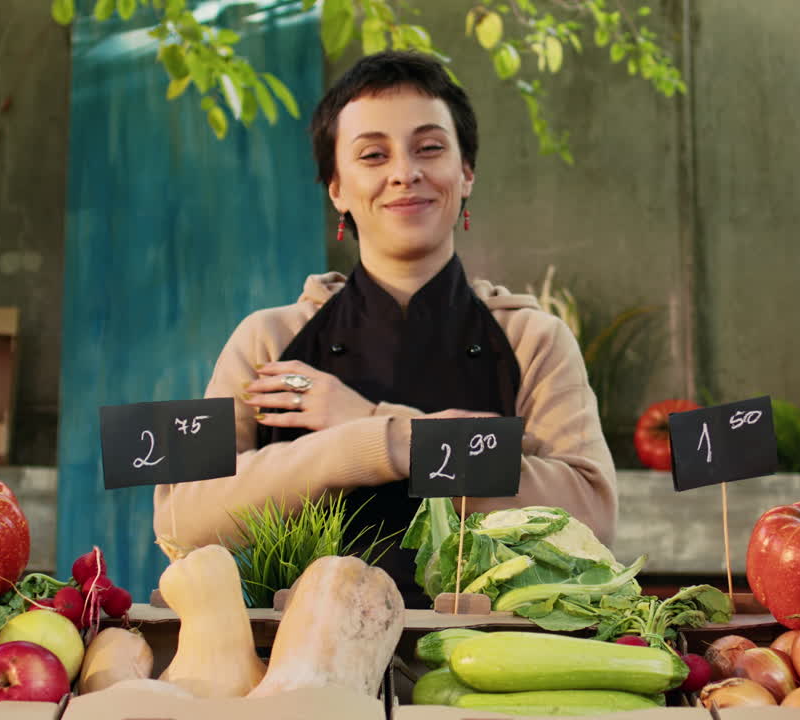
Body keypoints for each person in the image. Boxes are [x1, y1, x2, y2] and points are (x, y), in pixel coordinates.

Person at [153, 50, 617, 607]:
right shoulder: (266, 339)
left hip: (487, 664)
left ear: (465, 173)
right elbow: (180, 519)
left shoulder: (534, 340)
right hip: (295, 667)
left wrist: (384, 428)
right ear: (337, 188)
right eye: (373, 154)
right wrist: (372, 445)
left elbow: (591, 516)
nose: (404, 172)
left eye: (430, 148)